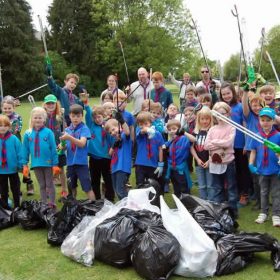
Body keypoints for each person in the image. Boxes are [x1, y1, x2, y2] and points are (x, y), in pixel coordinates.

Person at [204, 102, 238, 218]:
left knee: (231, 187)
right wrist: (220, 144)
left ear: (228, 114)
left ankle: (233, 210)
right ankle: (219, 210)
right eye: (217, 114)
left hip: (228, 163)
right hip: (214, 163)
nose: (220, 116)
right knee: (217, 187)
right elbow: (206, 146)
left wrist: (214, 142)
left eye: (223, 113)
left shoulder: (231, 127)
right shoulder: (212, 129)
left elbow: (228, 143)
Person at [220, 82, 252, 206]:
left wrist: (246, 144)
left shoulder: (239, 107)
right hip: (227, 144)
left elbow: (245, 126)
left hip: (239, 143)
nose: (226, 96)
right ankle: (235, 192)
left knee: (242, 169)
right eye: (223, 94)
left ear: (233, 93)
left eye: (228, 93)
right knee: (231, 171)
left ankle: (245, 194)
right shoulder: (220, 108)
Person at [22, 107, 59, 207]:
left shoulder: (48, 132)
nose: (37, 120)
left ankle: (52, 203)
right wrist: (24, 164)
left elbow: (53, 148)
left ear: (44, 119)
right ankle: (43, 204)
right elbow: (25, 149)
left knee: (49, 184)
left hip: (48, 163)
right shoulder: (28, 133)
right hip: (36, 164)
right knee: (42, 185)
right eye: (35, 118)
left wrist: (55, 164)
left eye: (40, 118)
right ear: (32, 119)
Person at [249, 107, 280, 227]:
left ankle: (276, 215)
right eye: (263, 120)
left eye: (268, 120)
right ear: (259, 121)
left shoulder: (278, 136)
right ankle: (264, 212)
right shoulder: (257, 136)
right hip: (261, 170)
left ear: (273, 121)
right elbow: (253, 151)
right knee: (263, 192)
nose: (265, 123)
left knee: (276, 193)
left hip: (276, 170)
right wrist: (251, 164)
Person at [59, 104, 96, 201]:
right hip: (70, 164)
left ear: (82, 116)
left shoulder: (84, 129)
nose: (75, 118)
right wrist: (61, 147)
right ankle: (72, 206)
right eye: (73, 116)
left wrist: (69, 137)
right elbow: (66, 147)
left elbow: (82, 143)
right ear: (69, 116)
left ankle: (95, 206)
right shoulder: (67, 130)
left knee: (87, 187)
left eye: (78, 116)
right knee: (71, 187)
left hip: (81, 164)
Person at [83, 100, 115, 201]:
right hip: (94, 158)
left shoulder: (107, 125)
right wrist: (86, 105)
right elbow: (88, 115)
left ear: (104, 116)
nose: (97, 119)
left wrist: (112, 148)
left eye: (99, 117)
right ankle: (96, 198)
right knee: (94, 180)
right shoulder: (91, 125)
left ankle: (110, 198)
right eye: (95, 117)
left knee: (108, 179)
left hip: (106, 158)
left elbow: (112, 139)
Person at [1, 98, 34, 195]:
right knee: (9, 168)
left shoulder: (17, 117)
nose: (7, 110)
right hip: (4, 147)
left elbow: (16, 129)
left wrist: (6, 128)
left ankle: (29, 184)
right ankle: (16, 190)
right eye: (5, 108)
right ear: (2, 108)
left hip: (16, 145)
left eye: (9, 108)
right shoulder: (1, 118)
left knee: (22, 165)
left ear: (14, 107)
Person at [242, 90, 265, 209]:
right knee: (255, 177)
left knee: (264, 176)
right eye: (254, 105)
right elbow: (244, 106)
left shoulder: (266, 117)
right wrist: (245, 93)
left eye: (259, 105)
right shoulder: (249, 116)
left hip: (264, 149)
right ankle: (259, 200)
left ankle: (264, 200)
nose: (257, 108)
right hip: (252, 151)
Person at [43, 94, 67, 199]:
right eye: (48, 103)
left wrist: (63, 144)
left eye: (52, 103)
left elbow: (64, 131)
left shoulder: (60, 116)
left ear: (56, 104)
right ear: (45, 105)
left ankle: (64, 191)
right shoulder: (42, 117)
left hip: (59, 147)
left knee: (61, 169)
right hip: (47, 148)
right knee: (48, 170)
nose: (50, 105)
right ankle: (48, 189)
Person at [135, 111, 164, 189]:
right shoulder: (139, 132)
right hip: (140, 164)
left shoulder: (157, 134)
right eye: (141, 124)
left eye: (146, 124)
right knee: (140, 185)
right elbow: (141, 132)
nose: (143, 126)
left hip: (153, 164)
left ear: (151, 123)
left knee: (152, 185)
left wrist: (161, 163)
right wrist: (147, 130)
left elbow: (160, 148)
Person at [105, 117, 132, 199]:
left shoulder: (124, 136)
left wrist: (121, 120)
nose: (112, 133)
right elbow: (109, 153)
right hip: (114, 168)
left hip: (122, 167)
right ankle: (123, 206)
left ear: (119, 126)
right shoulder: (115, 140)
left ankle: (128, 207)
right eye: (110, 132)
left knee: (120, 190)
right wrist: (114, 144)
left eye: (113, 129)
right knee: (116, 190)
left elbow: (127, 131)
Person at [163, 119, 192, 198]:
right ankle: (178, 201)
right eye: (169, 130)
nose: (172, 131)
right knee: (176, 186)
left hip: (180, 168)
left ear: (179, 129)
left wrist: (183, 133)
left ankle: (187, 203)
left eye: (174, 129)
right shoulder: (171, 140)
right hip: (172, 168)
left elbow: (193, 140)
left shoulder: (183, 138)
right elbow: (164, 146)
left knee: (183, 186)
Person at [191, 106, 214, 200]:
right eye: (202, 119)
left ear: (211, 119)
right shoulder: (195, 132)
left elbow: (214, 148)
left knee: (210, 185)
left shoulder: (212, 131)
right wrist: (197, 159)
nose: (205, 121)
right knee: (201, 185)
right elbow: (191, 147)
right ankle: (203, 202)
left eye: (207, 119)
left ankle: (211, 203)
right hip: (198, 163)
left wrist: (209, 160)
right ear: (199, 120)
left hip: (210, 162)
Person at [0, 115, 22, 210]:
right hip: (1, 170)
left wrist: (20, 165)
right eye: (0, 125)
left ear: (9, 127)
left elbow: (20, 153)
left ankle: (17, 206)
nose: (3, 127)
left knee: (15, 189)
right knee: (3, 190)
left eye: (5, 125)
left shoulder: (14, 139)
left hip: (13, 169)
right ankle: (5, 208)